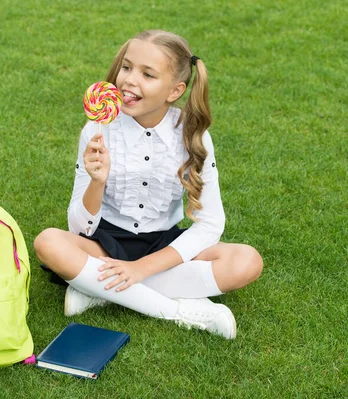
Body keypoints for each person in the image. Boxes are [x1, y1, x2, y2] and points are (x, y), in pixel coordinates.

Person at [34, 30, 263, 339]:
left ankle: (99, 289)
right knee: (48, 242)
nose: (129, 80)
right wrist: (96, 183)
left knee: (246, 261)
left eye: (148, 74)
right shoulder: (97, 131)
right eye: (126, 67)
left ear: (174, 90)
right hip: (104, 244)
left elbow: (210, 224)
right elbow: (78, 228)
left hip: (164, 245)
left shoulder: (191, 135)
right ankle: (180, 312)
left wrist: (142, 268)